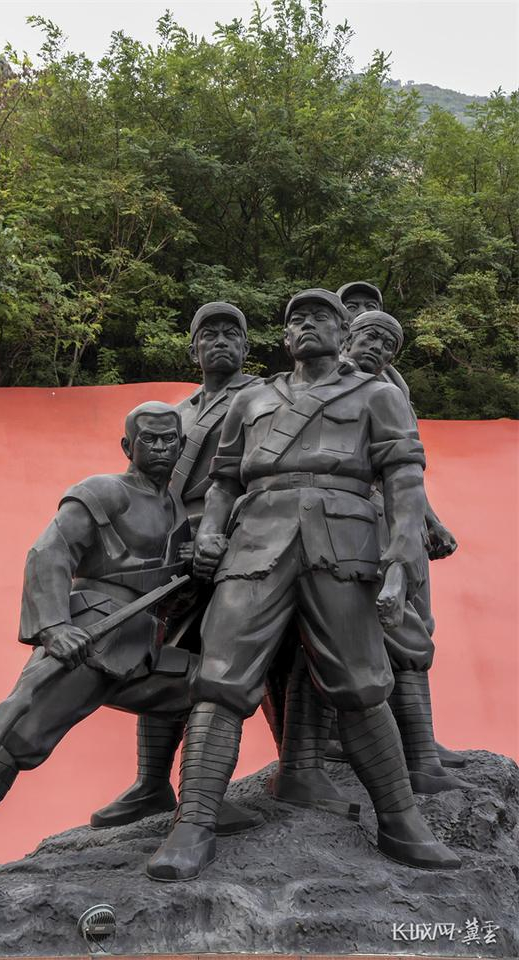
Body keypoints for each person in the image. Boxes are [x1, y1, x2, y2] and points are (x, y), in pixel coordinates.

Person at [146, 289, 461, 882]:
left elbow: (404, 481)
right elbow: (223, 480)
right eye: (297, 319)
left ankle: (401, 820)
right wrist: (210, 531)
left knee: (362, 682)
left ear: (343, 333)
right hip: (255, 543)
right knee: (220, 680)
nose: (307, 325)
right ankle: (192, 825)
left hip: (344, 543)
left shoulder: (378, 395)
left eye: (321, 317)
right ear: (285, 336)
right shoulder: (254, 399)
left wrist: (401, 560)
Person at [0, 401, 244, 884]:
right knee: (18, 734)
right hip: (91, 638)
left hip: (141, 648)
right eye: (149, 439)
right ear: (128, 446)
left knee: (211, 687)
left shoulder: (173, 506)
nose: (161, 447)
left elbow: (160, 583)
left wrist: (190, 564)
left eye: (170, 439)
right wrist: (53, 626)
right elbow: (49, 553)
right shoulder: (102, 491)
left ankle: (192, 801)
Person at [90, 303, 267, 834]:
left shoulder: (264, 397)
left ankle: (203, 796)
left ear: (246, 346)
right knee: (166, 657)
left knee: (221, 668)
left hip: (235, 543)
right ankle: (151, 783)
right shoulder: (177, 411)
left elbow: (264, 477)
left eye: (231, 333)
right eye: (208, 334)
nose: (220, 341)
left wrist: (222, 533)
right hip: (174, 547)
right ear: (192, 349)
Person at [335, 281, 463, 770]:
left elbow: (403, 468)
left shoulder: (393, 386)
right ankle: (375, 741)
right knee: (370, 623)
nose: (363, 316)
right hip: (352, 515)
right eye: (354, 310)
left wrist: (430, 520)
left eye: (372, 309)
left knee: (415, 622)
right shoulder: (323, 378)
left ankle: (417, 739)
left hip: (395, 514)